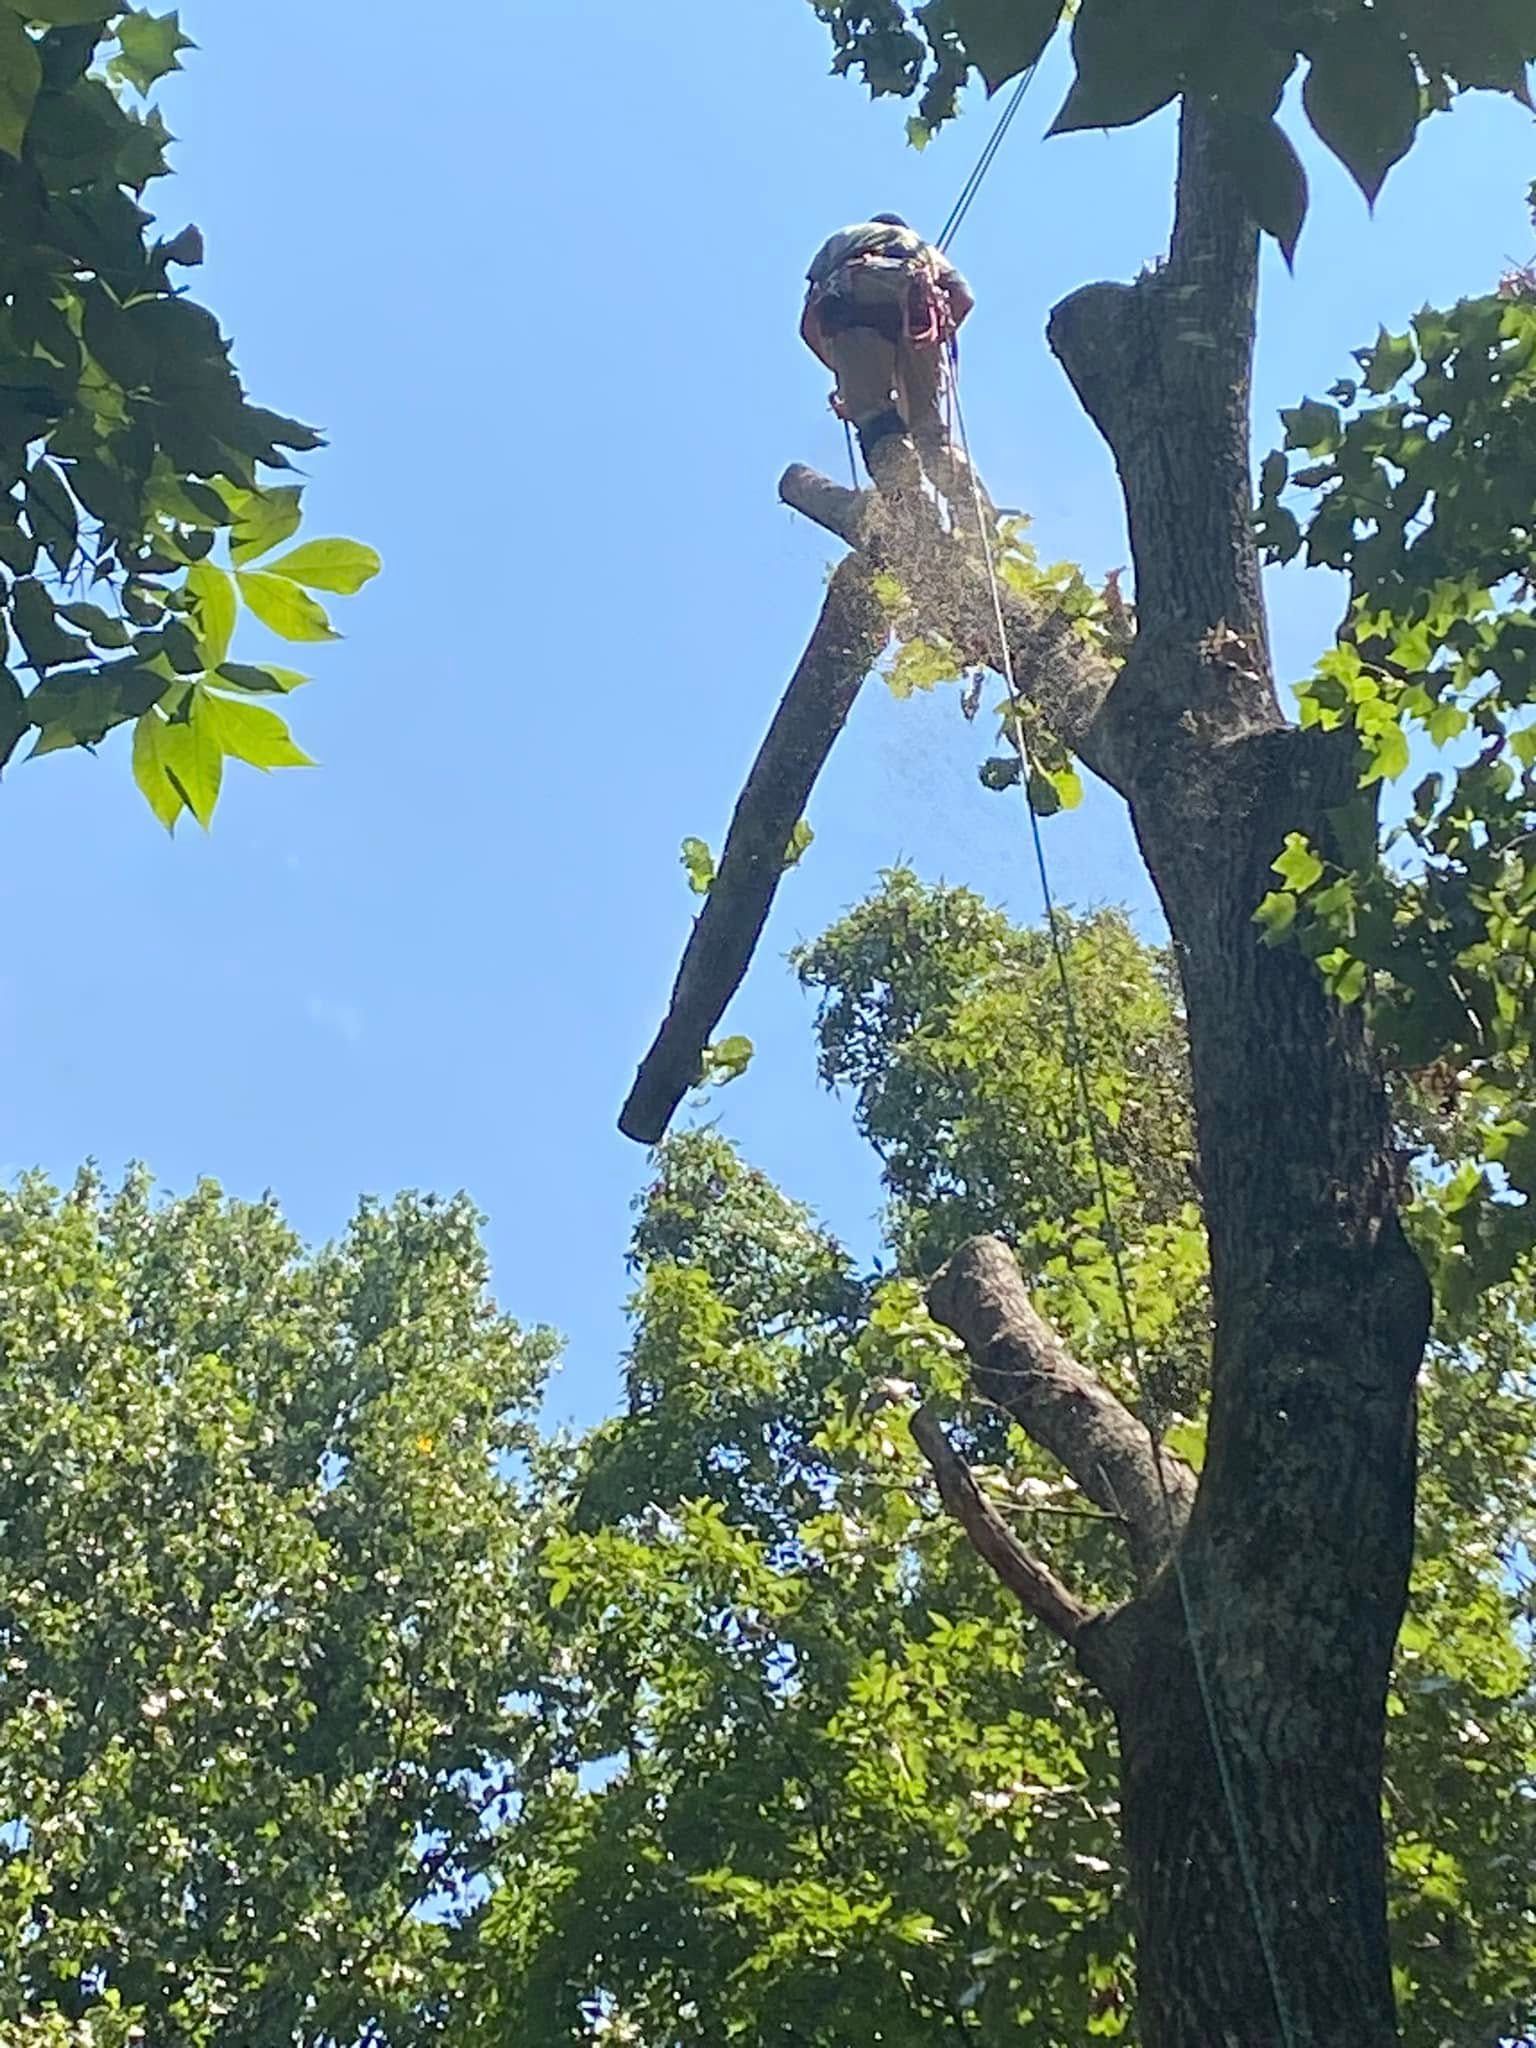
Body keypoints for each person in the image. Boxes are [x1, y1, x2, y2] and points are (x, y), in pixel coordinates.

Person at [800, 213, 978, 509]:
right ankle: (973, 509)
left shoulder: (841, 238)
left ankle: (911, 513)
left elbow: (809, 327)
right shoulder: (918, 246)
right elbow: (962, 297)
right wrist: (932, 340)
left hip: (853, 300)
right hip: (917, 303)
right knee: (929, 432)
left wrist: (851, 380)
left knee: (874, 418)